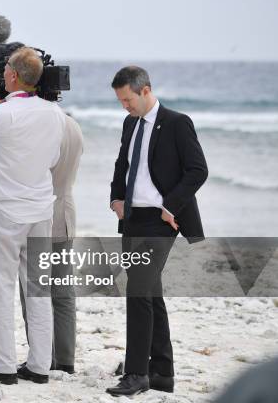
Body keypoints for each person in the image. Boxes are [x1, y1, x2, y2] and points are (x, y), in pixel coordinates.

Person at [0, 47, 66, 385]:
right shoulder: (55, 114)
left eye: (6, 68)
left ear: (12, 75)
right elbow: (52, 158)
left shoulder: (0, 114)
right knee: (38, 290)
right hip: (40, 209)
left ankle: (3, 366)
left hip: (5, 211)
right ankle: (39, 366)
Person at [106, 66, 208, 396]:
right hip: (133, 218)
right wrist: (116, 197)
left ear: (146, 90)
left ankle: (137, 374)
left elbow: (198, 171)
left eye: (128, 100)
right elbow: (123, 162)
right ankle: (162, 371)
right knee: (149, 292)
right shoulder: (129, 123)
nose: (125, 106)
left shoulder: (177, 123)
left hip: (163, 221)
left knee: (138, 291)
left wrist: (171, 205)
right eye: (120, 101)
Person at [19, 113, 83, 374]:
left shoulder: (42, 128)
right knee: (62, 289)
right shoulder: (74, 127)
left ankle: (42, 356)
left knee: (33, 291)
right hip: (64, 213)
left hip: (39, 213)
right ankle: (65, 359)